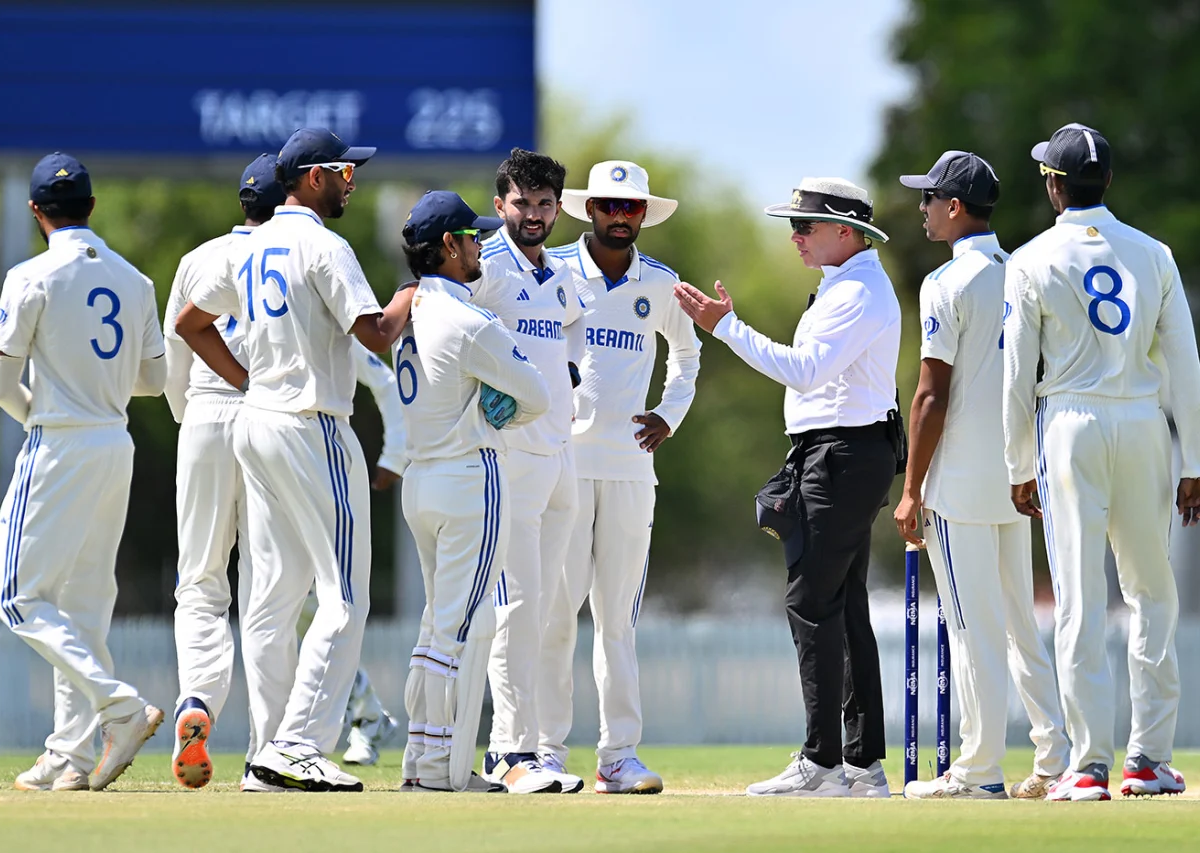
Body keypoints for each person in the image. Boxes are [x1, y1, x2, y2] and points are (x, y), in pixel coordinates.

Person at [175, 127, 411, 792]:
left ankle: (264, 753)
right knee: (344, 597)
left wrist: (245, 379)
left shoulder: (251, 246)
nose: (351, 181)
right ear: (312, 177)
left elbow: (192, 323)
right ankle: (298, 744)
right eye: (343, 170)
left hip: (258, 422)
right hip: (313, 424)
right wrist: (415, 293)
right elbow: (378, 333)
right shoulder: (322, 245)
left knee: (274, 599)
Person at [676, 178, 899, 798]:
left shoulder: (857, 290)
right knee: (843, 605)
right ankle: (859, 764)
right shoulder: (846, 285)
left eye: (806, 226)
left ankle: (823, 761)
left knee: (813, 602)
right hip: (840, 452)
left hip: (842, 454)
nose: (795, 236)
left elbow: (804, 373)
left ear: (845, 232)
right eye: (793, 226)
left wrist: (728, 328)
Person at [1004, 123, 1200, 801]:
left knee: (1081, 596)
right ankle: (1148, 757)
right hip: (1146, 424)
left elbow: (1016, 375)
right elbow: (1186, 364)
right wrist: (1194, 460)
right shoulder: (1155, 253)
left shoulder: (1028, 259)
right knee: (1152, 593)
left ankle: (1087, 764)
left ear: (1055, 187)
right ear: (1108, 181)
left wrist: (1017, 462)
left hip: (1070, 424)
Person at [891, 151, 1070, 799]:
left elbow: (930, 395)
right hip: (1019, 478)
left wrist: (911, 488)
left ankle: (979, 768)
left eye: (931, 198)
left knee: (972, 630)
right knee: (1022, 624)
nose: (924, 209)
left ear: (956, 207)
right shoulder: (1028, 272)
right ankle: (1053, 759)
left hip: (961, 485)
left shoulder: (946, 284)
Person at [2, 153, 167, 792]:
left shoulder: (30, 276)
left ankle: (119, 709)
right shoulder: (134, 280)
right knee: (85, 607)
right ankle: (68, 756)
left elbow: (1, 377)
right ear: (93, 208)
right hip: (113, 440)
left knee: (16, 596)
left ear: (36, 212)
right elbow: (153, 380)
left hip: (59, 443)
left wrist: (40, 412)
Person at [542, 160, 701, 794]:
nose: (619, 217)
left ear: (642, 215)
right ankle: (546, 751)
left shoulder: (660, 283)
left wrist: (669, 414)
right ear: (589, 210)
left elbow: (687, 356)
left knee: (618, 619)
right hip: (564, 464)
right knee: (556, 612)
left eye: (631, 208)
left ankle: (618, 756)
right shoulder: (550, 270)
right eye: (609, 206)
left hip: (633, 469)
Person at [397, 190, 551, 793]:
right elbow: (536, 394)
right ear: (447, 247)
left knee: (437, 625)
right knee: (461, 629)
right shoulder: (470, 319)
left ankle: (423, 760)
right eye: (471, 236)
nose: (480, 244)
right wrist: (501, 411)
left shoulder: (410, 313)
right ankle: (443, 770)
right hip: (469, 477)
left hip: (420, 480)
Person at [460, 149, 586, 794]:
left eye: (544, 205)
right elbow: (446, 331)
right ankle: (507, 754)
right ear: (501, 202)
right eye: (521, 203)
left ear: (557, 208)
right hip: (510, 459)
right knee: (515, 609)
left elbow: (571, 333)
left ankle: (531, 749)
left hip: (562, 455)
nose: (533, 215)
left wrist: (565, 373)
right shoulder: (484, 265)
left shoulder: (561, 274)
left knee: (542, 613)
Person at [163, 152, 283, 790]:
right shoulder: (297, 252)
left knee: (201, 582)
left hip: (207, 414)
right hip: (272, 418)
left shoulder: (199, 258)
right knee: (270, 585)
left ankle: (198, 703)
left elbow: (174, 365)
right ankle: (269, 750)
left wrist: (195, 423)